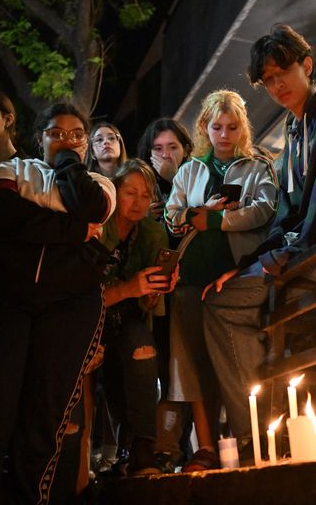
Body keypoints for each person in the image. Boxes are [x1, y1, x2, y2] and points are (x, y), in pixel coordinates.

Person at [202, 25, 316, 452]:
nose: (276, 85)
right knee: (223, 296)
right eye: (268, 80)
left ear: (308, 65)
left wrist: (288, 254)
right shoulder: (293, 133)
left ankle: (255, 433)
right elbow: (287, 212)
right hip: (307, 251)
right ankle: (268, 429)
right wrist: (251, 262)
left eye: (283, 73)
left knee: (223, 308)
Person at [0, 103, 115, 503]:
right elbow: (2, 215)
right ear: (38, 137)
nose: (66, 139)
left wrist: (67, 163)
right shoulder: (14, 169)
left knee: (45, 413)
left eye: (76, 134)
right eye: (55, 133)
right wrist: (74, 229)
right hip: (6, 301)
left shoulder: (99, 181)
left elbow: (92, 205)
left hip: (70, 304)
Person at [165, 89, 278, 471]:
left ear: (243, 128)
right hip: (191, 276)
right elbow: (172, 216)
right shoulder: (191, 169)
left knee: (229, 359)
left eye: (232, 127)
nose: (224, 134)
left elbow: (264, 210)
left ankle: (244, 439)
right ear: (205, 128)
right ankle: (207, 446)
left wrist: (219, 220)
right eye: (217, 127)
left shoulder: (256, 166)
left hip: (235, 275)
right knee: (193, 362)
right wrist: (196, 213)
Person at [100, 158, 179, 475]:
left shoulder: (151, 232)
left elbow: (148, 306)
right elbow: (80, 292)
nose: (137, 201)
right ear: (115, 191)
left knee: (143, 349)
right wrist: (128, 288)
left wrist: (156, 289)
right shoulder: (98, 224)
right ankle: (124, 446)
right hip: (88, 317)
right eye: (130, 192)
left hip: (128, 318)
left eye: (145, 195)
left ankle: (143, 446)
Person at [135, 118, 194, 468]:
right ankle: (159, 446)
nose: (165, 155)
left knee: (184, 369)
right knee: (160, 370)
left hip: (189, 289)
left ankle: (179, 445)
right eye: (157, 149)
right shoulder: (142, 189)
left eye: (172, 147)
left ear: (185, 149)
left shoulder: (192, 182)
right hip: (153, 294)